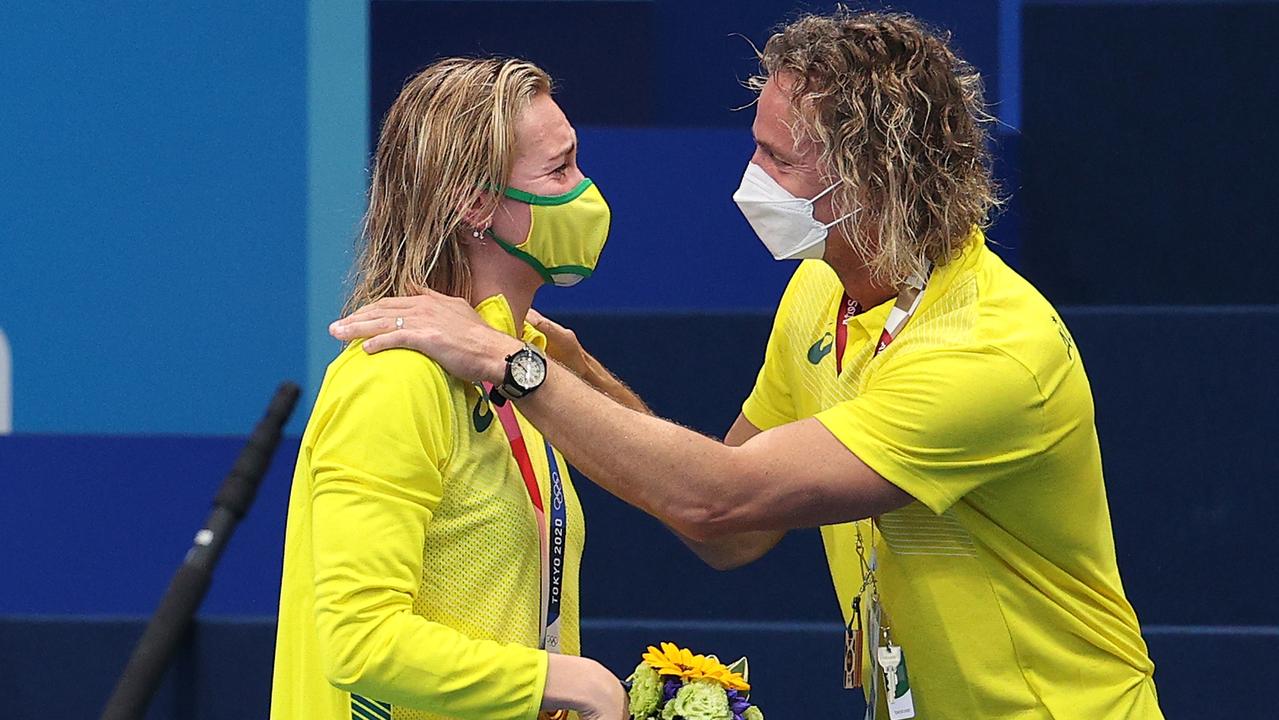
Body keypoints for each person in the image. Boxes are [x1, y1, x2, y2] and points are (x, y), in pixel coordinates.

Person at [333, 10, 1165, 720]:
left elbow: (717, 503)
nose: (749, 179)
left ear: (873, 179)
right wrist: (573, 369)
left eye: (780, 159)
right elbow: (734, 527)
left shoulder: (988, 350)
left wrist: (513, 367)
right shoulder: (816, 293)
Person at [272, 57, 631, 720]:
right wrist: (574, 684)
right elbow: (360, 643)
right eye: (558, 170)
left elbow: (659, 473)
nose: (585, 191)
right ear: (474, 203)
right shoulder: (394, 375)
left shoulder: (524, 368)